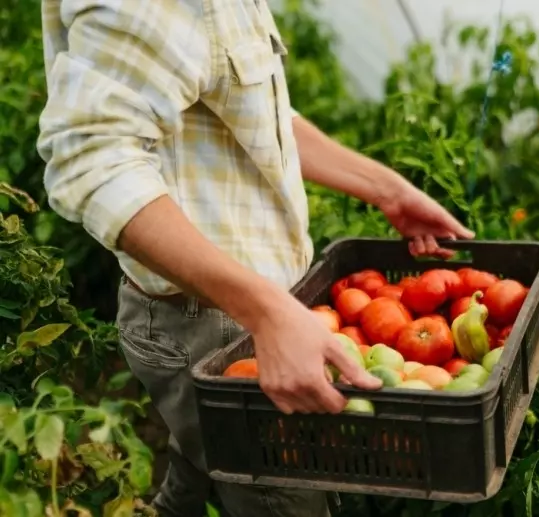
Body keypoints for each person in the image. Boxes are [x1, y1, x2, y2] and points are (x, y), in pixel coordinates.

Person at [37, 1, 473, 516]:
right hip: (213, 321)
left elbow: (259, 116)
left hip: (256, 309)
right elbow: (92, 160)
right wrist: (266, 313)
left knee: (203, 456)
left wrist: (386, 190)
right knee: (282, 497)